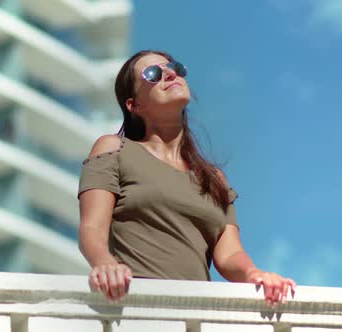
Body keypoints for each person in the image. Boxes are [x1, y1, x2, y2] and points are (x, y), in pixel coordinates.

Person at [78, 50, 296, 305]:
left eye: (174, 68)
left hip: (196, 314)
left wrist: (254, 274)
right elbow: (92, 227)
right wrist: (105, 264)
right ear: (134, 105)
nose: (169, 74)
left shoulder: (213, 178)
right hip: (138, 312)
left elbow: (229, 254)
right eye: (153, 74)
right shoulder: (114, 149)